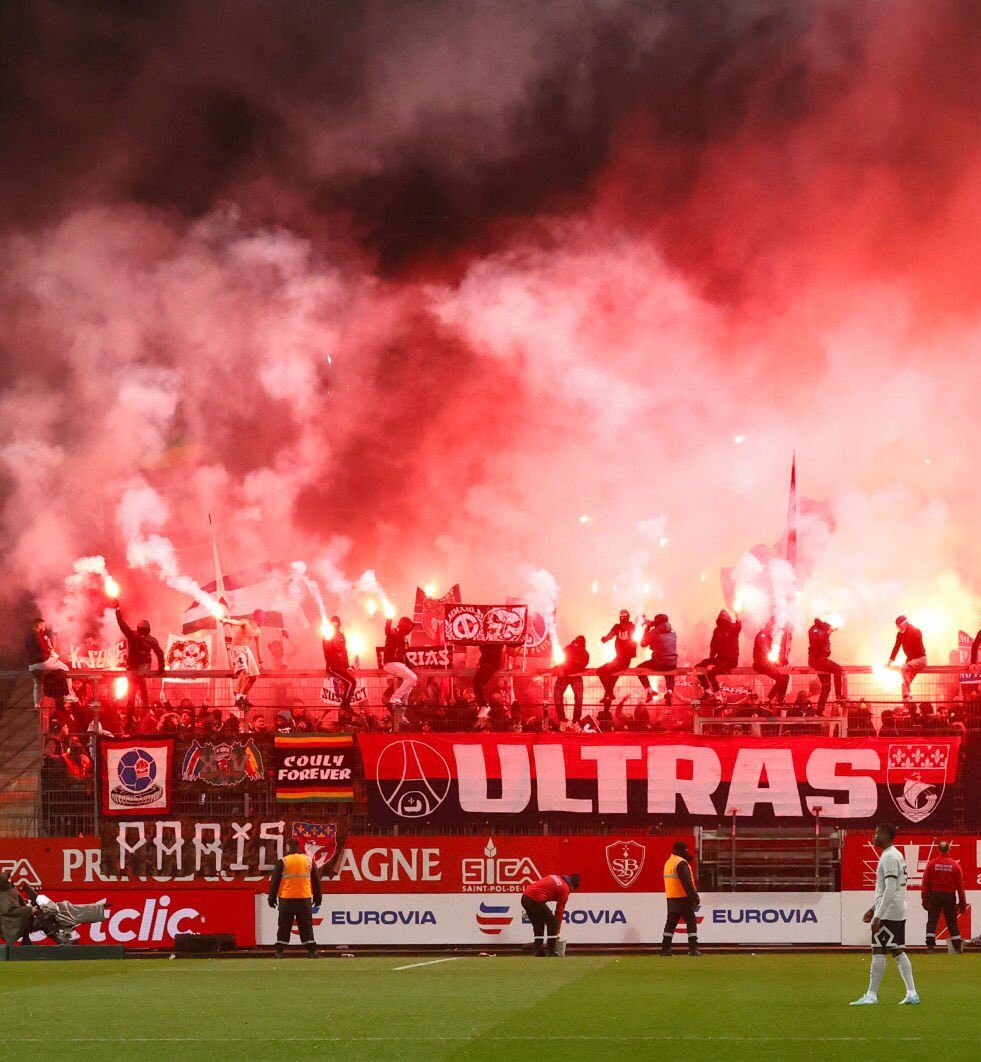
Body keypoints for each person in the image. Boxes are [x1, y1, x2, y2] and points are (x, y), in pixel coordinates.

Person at [850, 823, 919, 1006]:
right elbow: (892, 889)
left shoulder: (889, 857)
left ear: (886, 836)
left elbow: (889, 889)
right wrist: (874, 908)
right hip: (896, 909)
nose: (874, 837)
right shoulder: (895, 855)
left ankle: (872, 995)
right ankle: (912, 993)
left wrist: (878, 914)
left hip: (889, 911)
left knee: (878, 950)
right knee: (897, 950)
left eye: (877, 834)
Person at [267, 838, 323, 959]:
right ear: (299, 848)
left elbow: (275, 882)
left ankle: (279, 952)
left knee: (284, 926)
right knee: (306, 926)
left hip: (286, 899)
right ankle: (312, 951)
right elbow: (316, 881)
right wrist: (318, 897)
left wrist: (271, 897)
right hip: (304, 898)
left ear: (287, 848)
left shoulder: (283, 861)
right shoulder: (308, 861)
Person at [114, 604, 165, 709]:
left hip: (143, 665)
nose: (141, 633)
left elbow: (160, 653)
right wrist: (117, 610)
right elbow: (122, 624)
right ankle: (138, 705)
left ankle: (139, 704)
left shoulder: (143, 638)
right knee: (135, 683)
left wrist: (161, 667)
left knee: (138, 678)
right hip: (134, 666)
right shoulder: (133, 635)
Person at [921, 840, 966, 953]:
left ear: (938, 849)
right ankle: (957, 948)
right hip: (949, 896)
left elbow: (925, 883)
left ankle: (930, 947)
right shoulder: (955, 865)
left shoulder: (931, 864)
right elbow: (960, 887)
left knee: (932, 921)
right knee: (952, 922)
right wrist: (962, 904)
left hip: (934, 895)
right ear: (949, 849)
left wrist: (924, 899)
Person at [521, 872, 580, 956]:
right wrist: (558, 931)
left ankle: (538, 950)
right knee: (552, 922)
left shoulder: (557, 877)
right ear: (573, 886)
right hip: (535, 899)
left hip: (525, 897)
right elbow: (559, 911)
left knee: (538, 923)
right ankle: (551, 950)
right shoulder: (565, 888)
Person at [661, 840, 701, 956]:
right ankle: (693, 949)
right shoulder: (681, 863)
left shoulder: (669, 862)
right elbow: (687, 882)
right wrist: (694, 896)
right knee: (691, 921)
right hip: (683, 897)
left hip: (671, 898)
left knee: (670, 924)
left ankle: (665, 949)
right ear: (681, 850)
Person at [26, 617, 74, 710]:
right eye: (43, 626)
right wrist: (51, 654)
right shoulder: (38, 635)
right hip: (42, 662)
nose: (44, 628)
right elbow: (43, 647)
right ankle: (69, 693)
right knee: (65, 668)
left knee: (37, 683)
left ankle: (36, 704)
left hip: (32, 665)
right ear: (39, 625)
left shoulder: (28, 636)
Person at [225, 609, 266, 711]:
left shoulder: (257, 631)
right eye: (262, 618)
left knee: (253, 677)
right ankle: (238, 696)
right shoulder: (246, 623)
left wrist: (261, 662)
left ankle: (243, 697)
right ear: (257, 618)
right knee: (244, 671)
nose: (263, 621)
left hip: (246, 649)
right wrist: (226, 620)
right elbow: (237, 622)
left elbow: (258, 646)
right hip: (237, 648)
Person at [695, 610, 741, 697]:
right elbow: (713, 645)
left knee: (711, 674)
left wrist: (738, 617)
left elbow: (739, 627)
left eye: (724, 621)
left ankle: (718, 695)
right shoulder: (716, 630)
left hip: (731, 660)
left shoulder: (733, 628)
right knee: (698, 667)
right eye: (721, 621)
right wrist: (711, 659)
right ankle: (707, 690)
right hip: (720, 659)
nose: (722, 623)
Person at [382, 616, 417, 726]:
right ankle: (395, 698)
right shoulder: (395, 631)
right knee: (412, 678)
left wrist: (409, 665)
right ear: (404, 626)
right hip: (391, 663)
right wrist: (388, 623)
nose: (409, 629)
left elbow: (403, 654)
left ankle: (401, 716)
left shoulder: (403, 637)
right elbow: (388, 633)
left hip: (398, 664)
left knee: (408, 689)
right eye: (409, 627)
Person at [597, 610, 637, 706]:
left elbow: (609, 637)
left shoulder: (619, 627)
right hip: (623, 660)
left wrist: (604, 639)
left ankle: (609, 694)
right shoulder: (632, 627)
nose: (622, 618)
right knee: (611, 678)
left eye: (623, 616)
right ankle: (608, 696)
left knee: (600, 671)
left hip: (621, 660)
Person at [637, 614, 678, 705]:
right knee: (670, 670)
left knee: (639, 669)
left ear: (657, 622)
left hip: (659, 662)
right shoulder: (673, 631)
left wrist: (647, 629)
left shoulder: (654, 632)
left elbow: (643, 644)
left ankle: (649, 690)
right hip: (672, 662)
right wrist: (653, 624)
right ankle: (669, 692)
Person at [808, 617, 846, 712]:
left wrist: (831, 629)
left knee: (826, 687)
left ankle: (819, 711)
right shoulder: (814, 630)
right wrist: (829, 632)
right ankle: (838, 696)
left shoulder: (821, 628)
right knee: (838, 669)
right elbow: (819, 640)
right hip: (817, 660)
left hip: (820, 660)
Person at [888, 616, 927, 702]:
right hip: (912, 660)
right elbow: (896, 647)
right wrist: (889, 661)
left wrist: (907, 662)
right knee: (904, 685)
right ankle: (906, 705)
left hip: (920, 659)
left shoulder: (916, 631)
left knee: (902, 669)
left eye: (898, 626)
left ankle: (909, 694)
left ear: (903, 624)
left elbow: (917, 650)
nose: (898, 628)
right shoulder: (900, 634)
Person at [752, 617, 790, 707]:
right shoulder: (762, 635)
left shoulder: (768, 636)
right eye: (772, 625)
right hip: (762, 663)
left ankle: (779, 700)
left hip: (766, 663)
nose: (773, 627)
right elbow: (765, 650)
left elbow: (772, 652)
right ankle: (768, 699)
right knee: (781, 679)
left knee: (785, 677)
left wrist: (783, 662)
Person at [322, 616, 357, 710]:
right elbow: (327, 650)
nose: (335, 625)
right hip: (333, 667)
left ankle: (345, 705)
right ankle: (345, 705)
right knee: (351, 683)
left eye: (336, 623)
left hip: (341, 667)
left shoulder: (341, 635)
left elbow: (344, 651)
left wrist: (347, 665)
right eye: (333, 623)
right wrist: (334, 644)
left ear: (340, 624)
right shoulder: (327, 635)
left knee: (350, 683)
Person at [554, 635, 589, 722]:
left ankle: (575, 721)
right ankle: (563, 720)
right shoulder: (569, 648)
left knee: (578, 698)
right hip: (566, 676)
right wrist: (560, 667)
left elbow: (579, 668)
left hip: (572, 676)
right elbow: (565, 661)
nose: (576, 645)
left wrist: (564, 670)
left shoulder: (585, 655)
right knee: (558, 696)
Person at [0, 872, 32, 945]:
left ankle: (26, 939)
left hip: (15, 915)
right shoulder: (2, 895)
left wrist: (27, 904)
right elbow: (8, 910)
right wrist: (29, 910)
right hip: (7, 920)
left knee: (30, 913)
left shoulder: (12, 890)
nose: (10, 880)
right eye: (8, 879)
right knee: (26, 912)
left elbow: (19, 903)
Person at [473, 642, 505, 708]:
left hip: (490, 663)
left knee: (477, 682)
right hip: (490, 663)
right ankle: (483, 705)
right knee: (477, 683)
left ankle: (483, 705)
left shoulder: (493, 642)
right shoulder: (494, 640)